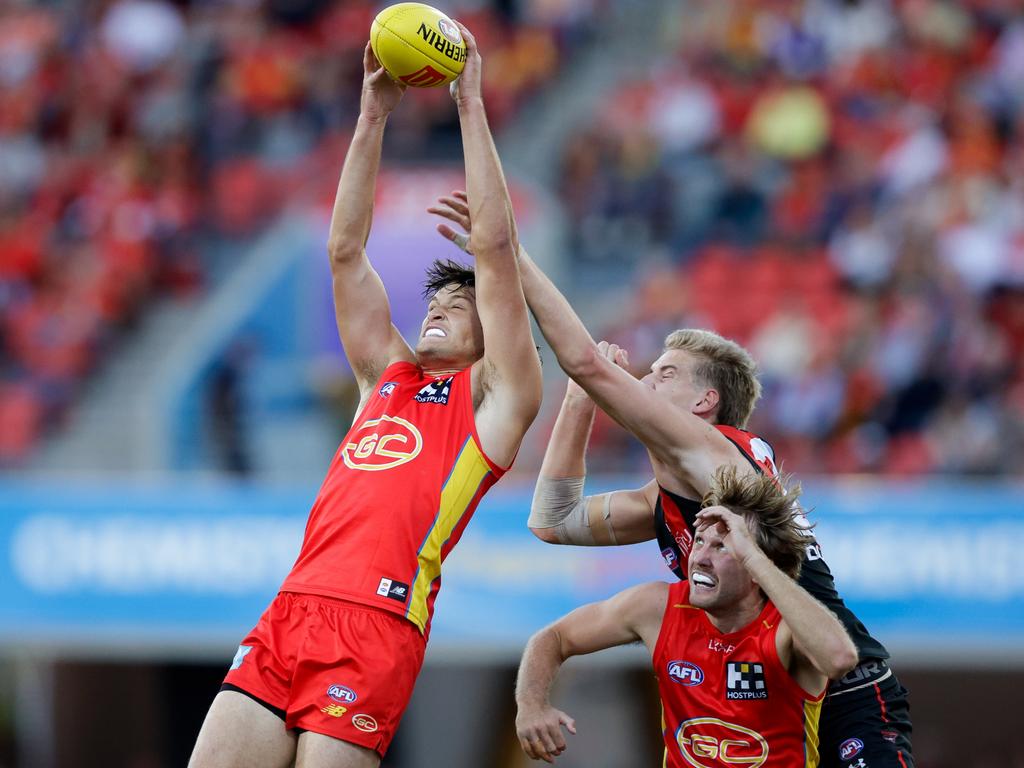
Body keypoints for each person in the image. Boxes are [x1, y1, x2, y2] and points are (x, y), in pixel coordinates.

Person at [429, 193, 914, 768]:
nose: (642, 380)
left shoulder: (715, 454)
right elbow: (552, 521)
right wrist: (581, 405)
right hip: (771, 693)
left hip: (843, 685)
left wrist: (507, 255)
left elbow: (584, 360)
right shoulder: (671, 493)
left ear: (705, 403)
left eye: (664, 374)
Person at [189, 27, 542, 768]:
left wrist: (468, 104)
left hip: (377, 624)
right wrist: (372, 114)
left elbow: (500, 259)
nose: (440, 308)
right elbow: (344, 251)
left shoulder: (498, 402)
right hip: (292, 608)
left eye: (461, 303)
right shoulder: (385, 376)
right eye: (436, 299)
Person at [515, 466, 858, 766]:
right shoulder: (658, 607)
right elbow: (553, 638)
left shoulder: (784, 630)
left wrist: (753, 557)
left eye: (722, 546)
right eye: (699, 541)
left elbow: (840, 657)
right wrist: (531, 705)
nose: (700, 558)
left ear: (758, 563)